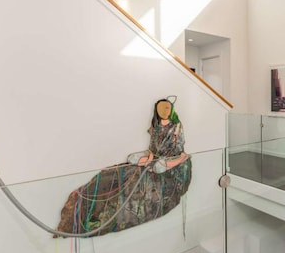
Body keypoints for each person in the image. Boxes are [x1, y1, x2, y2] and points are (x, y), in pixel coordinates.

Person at [56, 97, 192, 237]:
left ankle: (179, 160)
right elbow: (152, 149)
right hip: (155, 159)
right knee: (128, 163)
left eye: (167, 107)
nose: (164, 111)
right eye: (161, 108)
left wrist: (175, 160)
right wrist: (149, 158)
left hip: (169, 162)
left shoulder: (176, 127)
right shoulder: (155, 128)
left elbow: (179, 150)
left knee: (154, 170)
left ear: (171, 110)